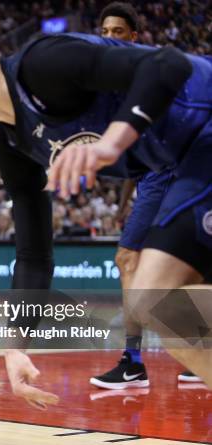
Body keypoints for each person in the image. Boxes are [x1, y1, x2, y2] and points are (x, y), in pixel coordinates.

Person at [0, 4, 212, 407]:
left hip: (203, 129)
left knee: (153, 292)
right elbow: (33, 253)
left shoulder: (41, 64)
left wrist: (110, 144)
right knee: (157, 303)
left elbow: (167, 64)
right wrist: (15, 346)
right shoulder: (12, 140)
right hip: (184, 165)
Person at [91, 1, 200, 388]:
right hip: (155, 177)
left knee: (128, 259)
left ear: (134, 37)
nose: (110, 38)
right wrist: (124, 203)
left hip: (173, 172)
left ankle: (133, 361)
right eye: (104, 32)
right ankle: (196, 352)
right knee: (180, 267)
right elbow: (132, 150)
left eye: (118, 32)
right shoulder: (109, 84)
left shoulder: (151, 69)